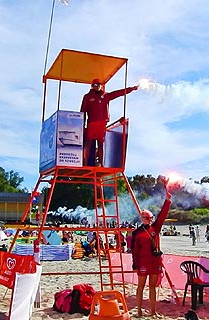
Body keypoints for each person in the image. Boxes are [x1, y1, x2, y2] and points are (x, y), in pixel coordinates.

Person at [131, 189, 171, 317]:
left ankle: (153, 312)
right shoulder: (136, 233)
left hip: (155, 262)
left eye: (150, 218)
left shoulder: (155, 228)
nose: (149, 220)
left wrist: (168, 200)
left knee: (153, 287)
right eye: (147, 218)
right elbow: (134, 251)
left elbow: (162, 215)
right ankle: (138, 311)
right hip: (143, 263)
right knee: (141, 287)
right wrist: (135, 265)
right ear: (142, 218)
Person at [80, 79, 138, 166]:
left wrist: (131, 89)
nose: (98, 86)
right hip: (92, 123)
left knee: (100, 144)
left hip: (102, 124)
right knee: (88, 143)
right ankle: (84, 163)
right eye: (95, 85)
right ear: (92, 86)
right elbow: (83, 111)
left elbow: (118, 93)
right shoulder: (87, 97)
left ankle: (101, 164)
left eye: (99, 85)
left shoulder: (106, 95)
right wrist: (81, 124)